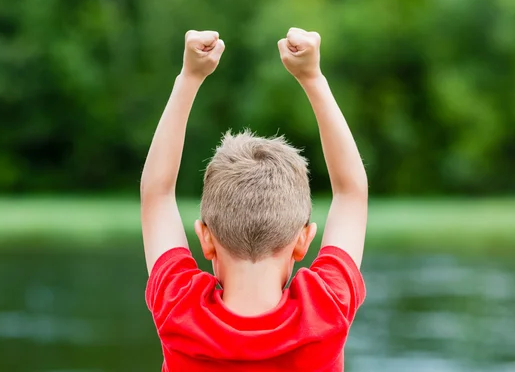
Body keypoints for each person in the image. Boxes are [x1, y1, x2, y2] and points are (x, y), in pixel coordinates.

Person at [140, 27, 368, 372]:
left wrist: (189, 77)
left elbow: (156, 195)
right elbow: (351, 193)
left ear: (206, 238)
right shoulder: (324, 310)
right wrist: (312, 77)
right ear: (302, 240)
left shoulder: (180, 311)